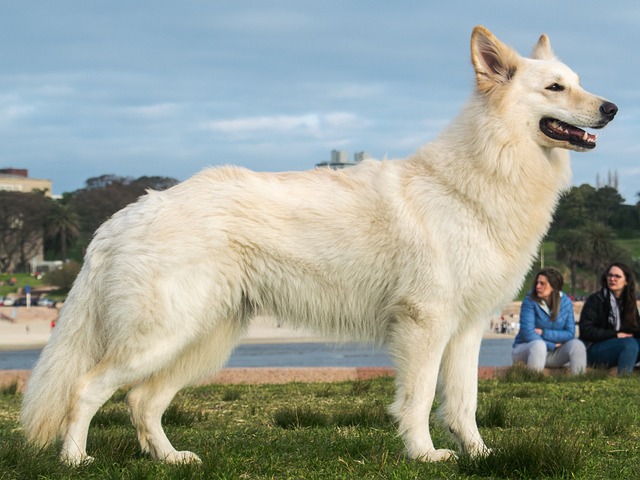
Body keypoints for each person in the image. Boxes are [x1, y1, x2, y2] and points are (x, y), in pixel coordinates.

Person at [512, 268, 586, 374]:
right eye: (537, 283)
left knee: (577, 345)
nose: (537, 286)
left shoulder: (566, 303)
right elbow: (527, 332)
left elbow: (570, 333)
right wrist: (551, 345)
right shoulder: (530, 300)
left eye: (542, 284)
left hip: (553, 354)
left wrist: (543, 333)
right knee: (539, 346)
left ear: (554, 287)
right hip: (526, 350)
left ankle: (580, 385)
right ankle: (532, 385)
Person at [579, 262, 640, 374]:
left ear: (626, 281)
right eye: (610, 275)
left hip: (619, 346)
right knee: (629, 344)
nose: (612, 279)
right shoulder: (596, 300)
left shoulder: (629, 302)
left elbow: (636, 328)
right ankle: (623, 382)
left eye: (617, 276)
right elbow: (586, 331)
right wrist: (615, 334)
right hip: (594, 349)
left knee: (633, 343)